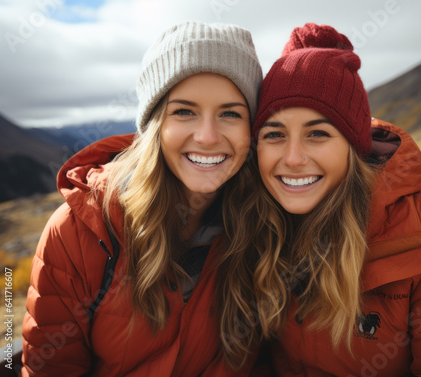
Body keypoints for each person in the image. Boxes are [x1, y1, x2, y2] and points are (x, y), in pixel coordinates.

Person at [250, 23, 421, 376]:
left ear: (355, 146)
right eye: (274, 134)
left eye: (318, 134)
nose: (292, 158)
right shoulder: (256, 226)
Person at [21, 21, 264, 376]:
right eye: (184, 111)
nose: (208, 136)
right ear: (154, 126)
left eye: (230, 113)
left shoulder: (266, 223)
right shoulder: (80, 230)